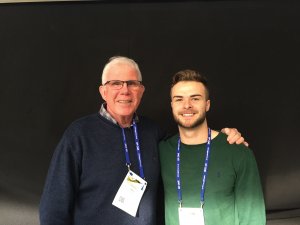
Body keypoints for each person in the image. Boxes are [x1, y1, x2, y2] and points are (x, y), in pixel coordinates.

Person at [39, 56, 247, 225]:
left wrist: (225, 135)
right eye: (115, 83)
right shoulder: (78, 135)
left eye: (132, 83)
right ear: (103, 91)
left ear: (142, 91)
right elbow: (54, 206)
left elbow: (190, 144)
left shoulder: (152, 131)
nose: (125, 90)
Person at [159, 69, 266, 225]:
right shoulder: (161, 151)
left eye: (195, 98)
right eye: (179, 99)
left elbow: (253, 218)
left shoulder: (237, 151)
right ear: (172, 105)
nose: (187, 105)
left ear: (207, 104)